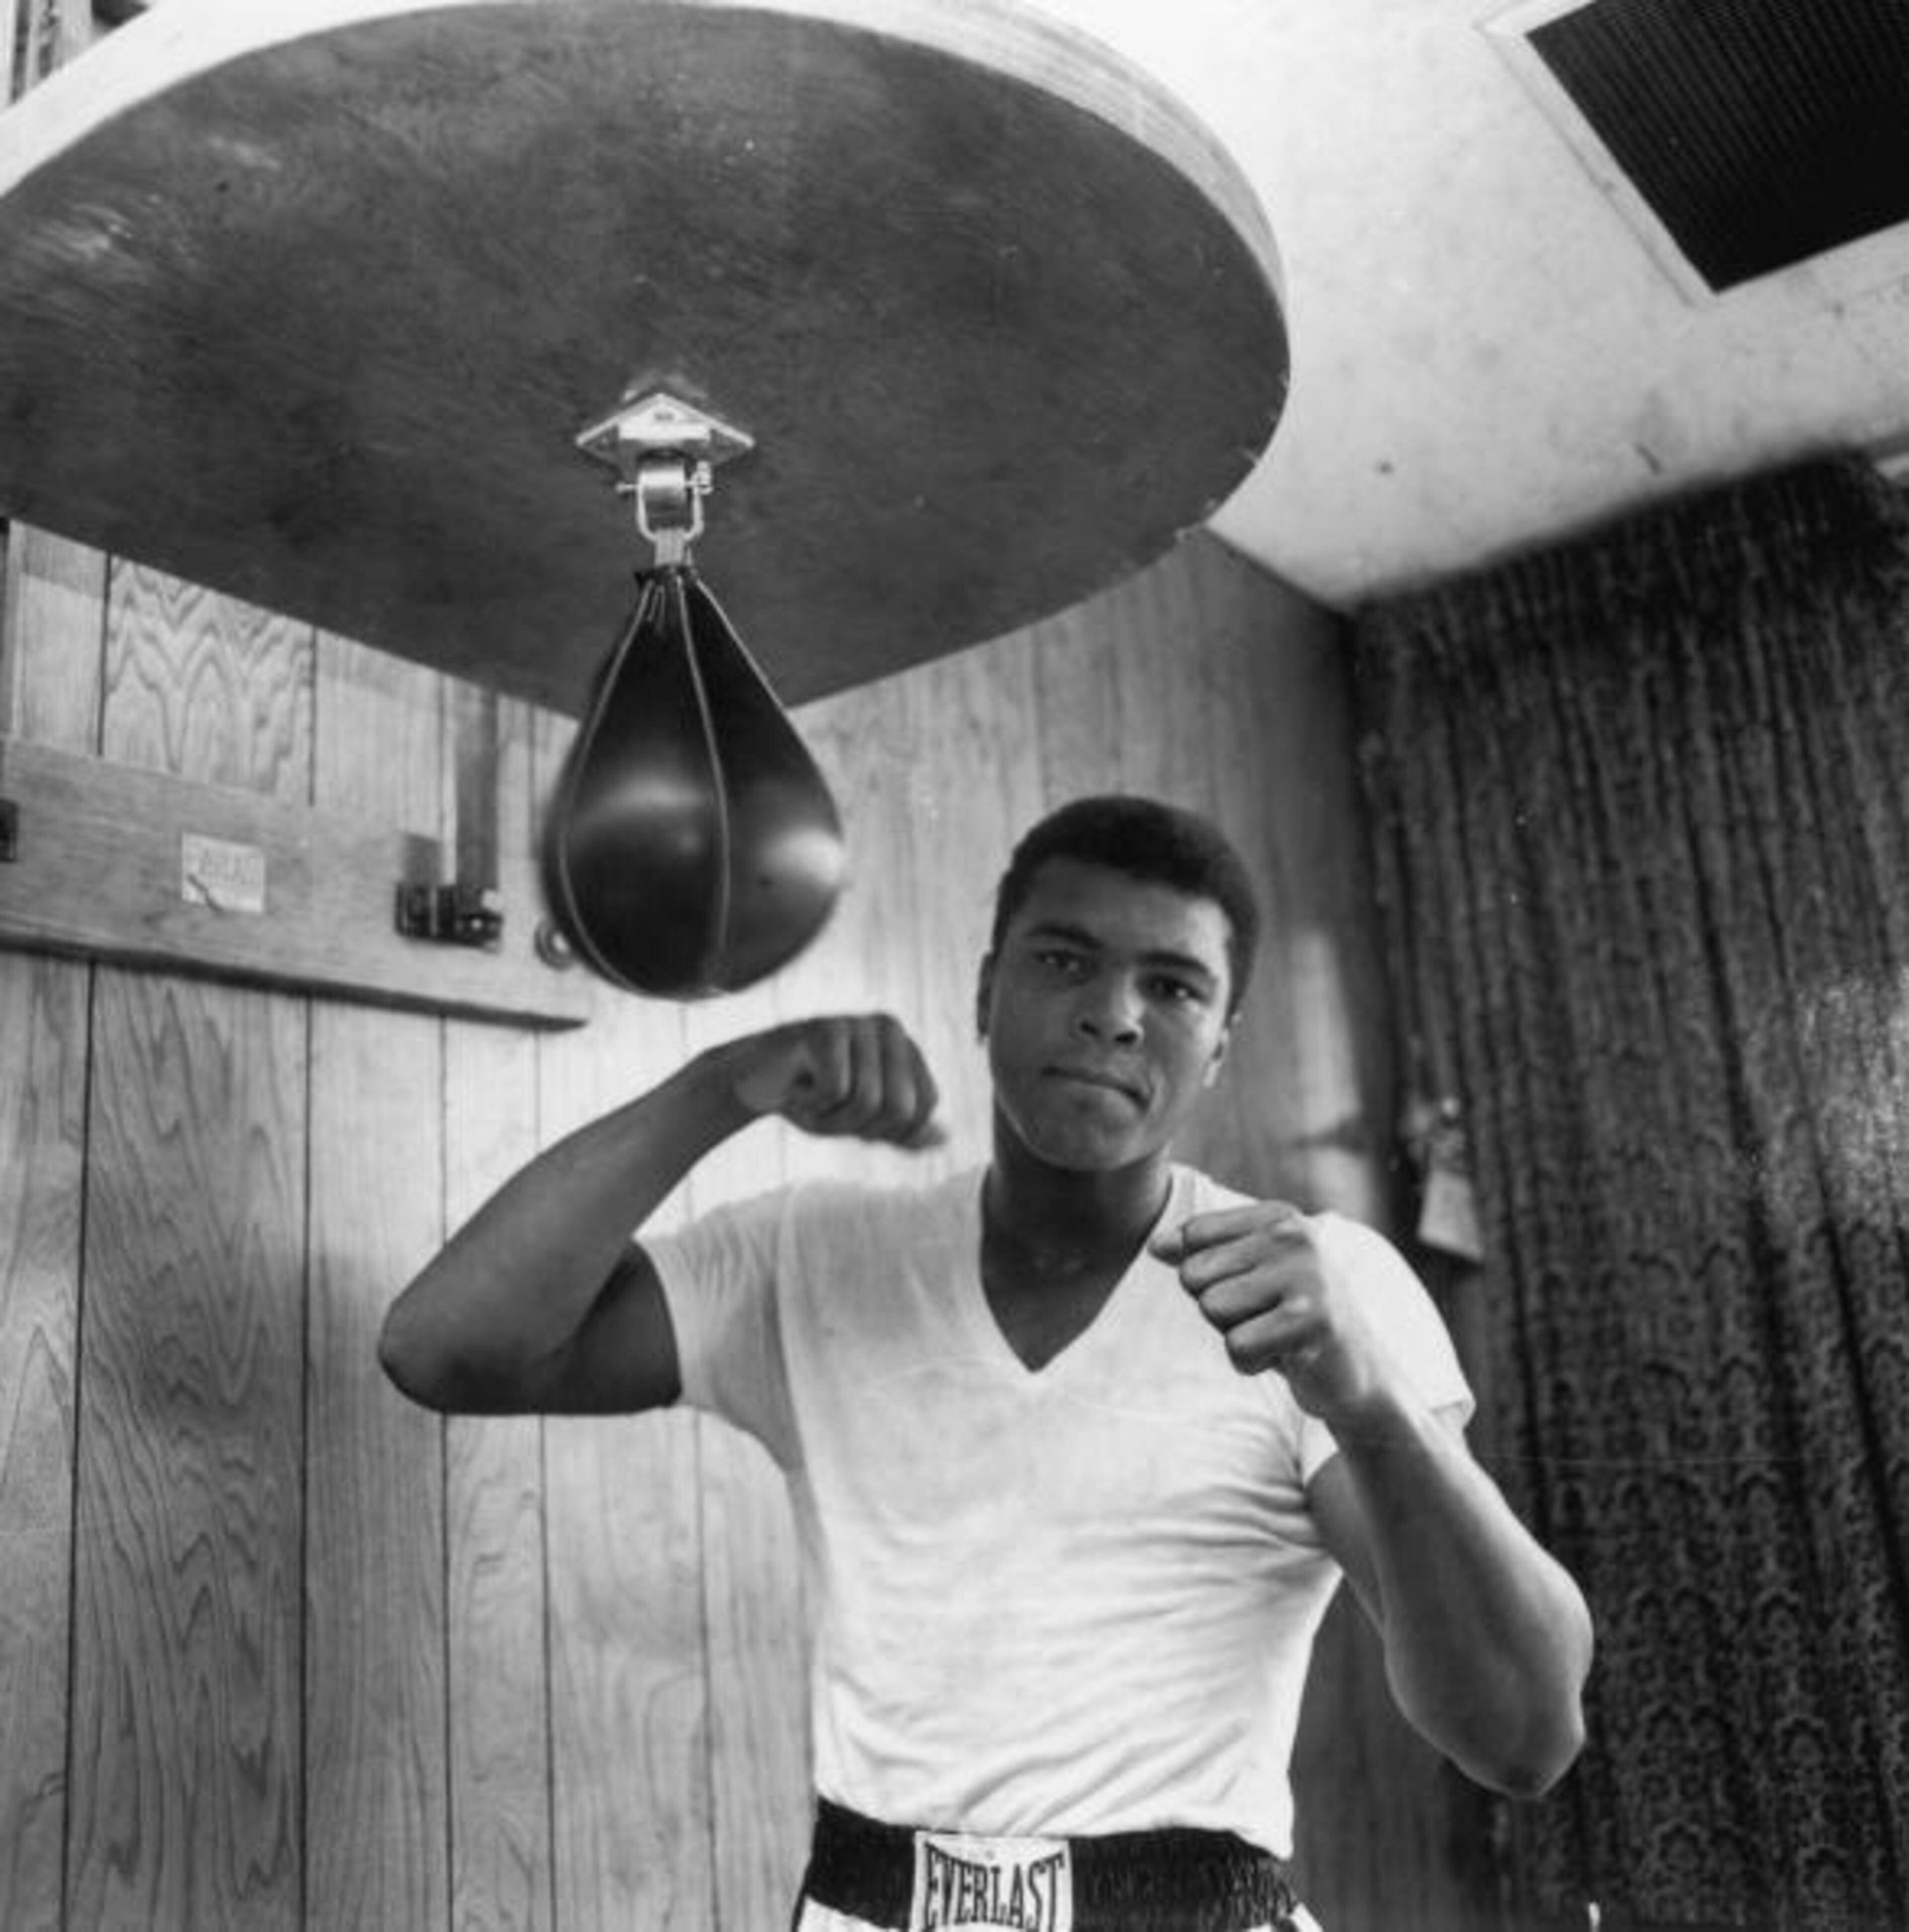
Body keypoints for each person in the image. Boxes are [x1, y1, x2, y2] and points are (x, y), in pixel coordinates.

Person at [380, 793, 1592, 1932]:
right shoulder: (817, 1258)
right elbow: (445, 1346)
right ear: (985, 989)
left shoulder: (1311, 1281)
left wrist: (1372, 1400)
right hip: (872, 1897)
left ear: (1219, 1045)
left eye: (1172, 985)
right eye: (1066, 958)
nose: (1115, 1011)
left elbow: (1524, 1733)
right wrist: (720, 1088)